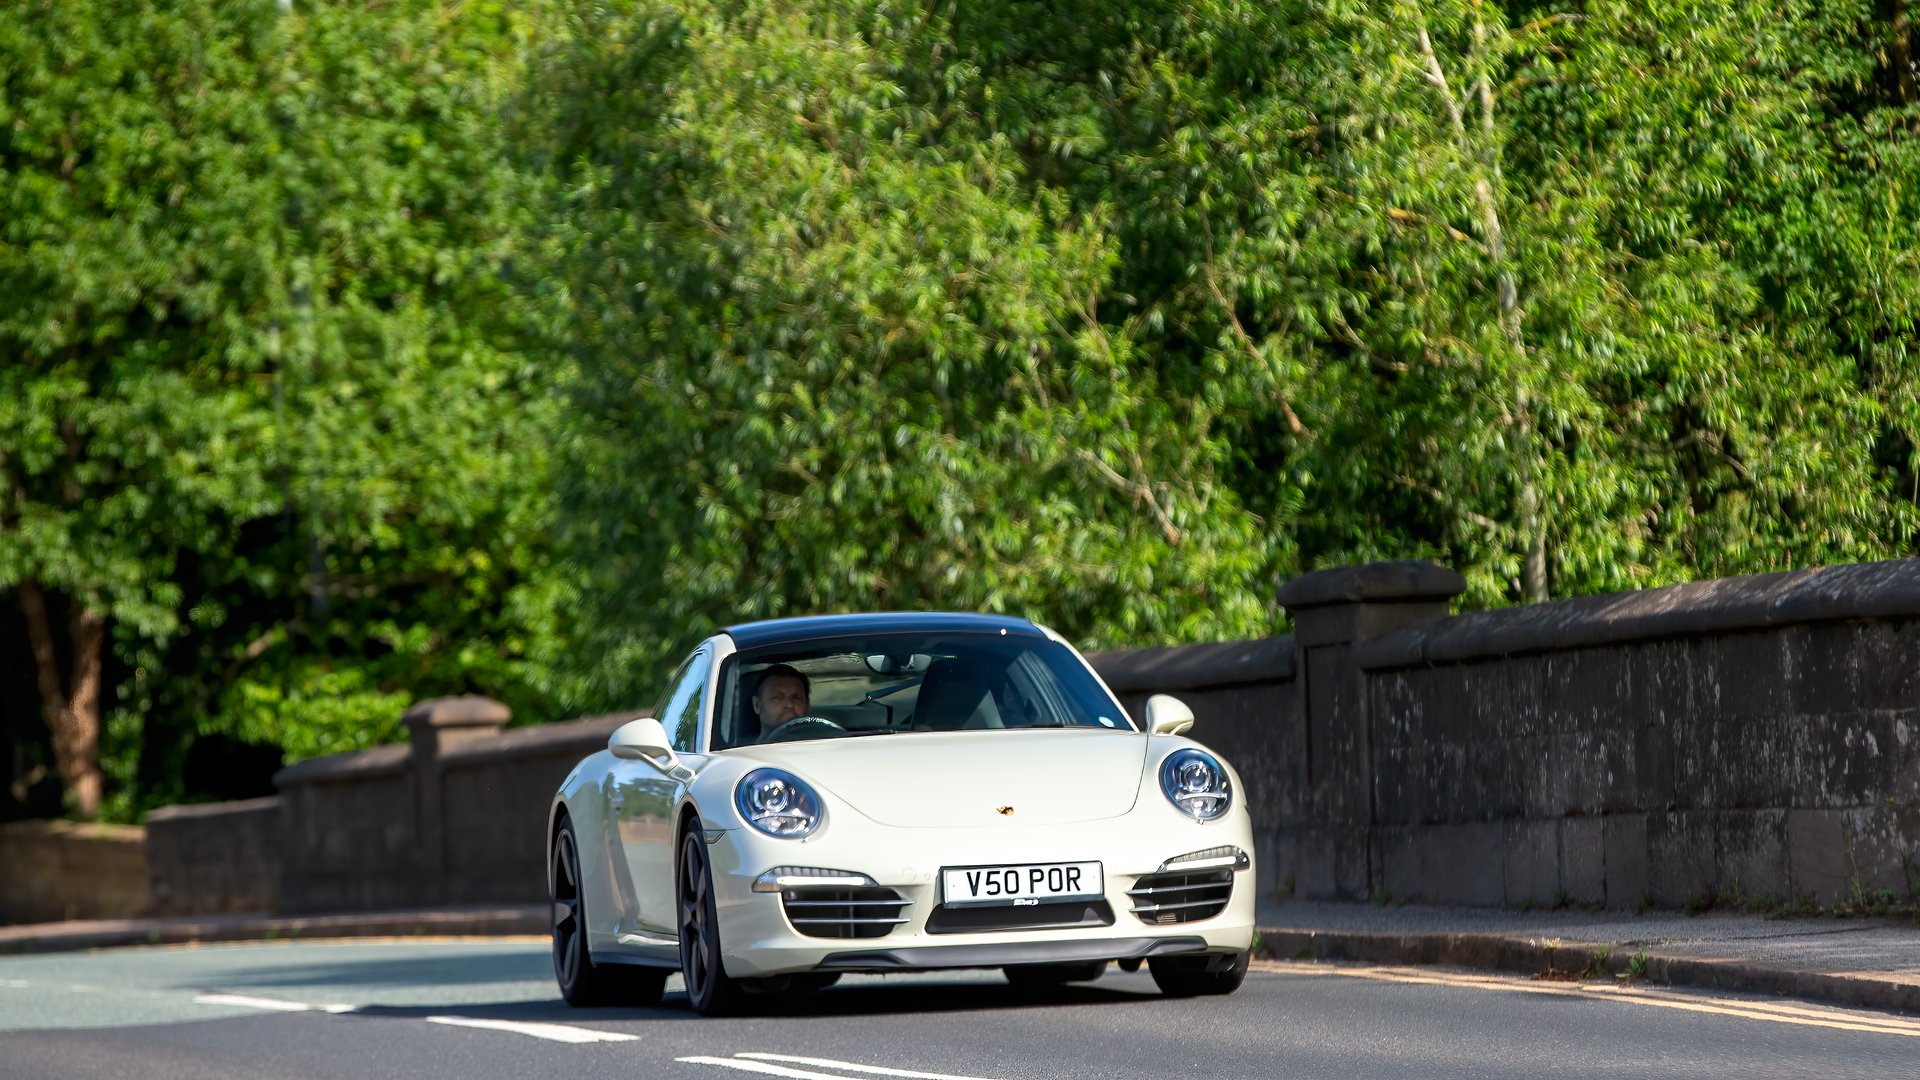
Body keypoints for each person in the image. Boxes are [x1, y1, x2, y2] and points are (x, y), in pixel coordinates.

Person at [751, 664, 812, 741]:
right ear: (757, 705)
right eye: (778, 697)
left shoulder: (824, 747)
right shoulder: (739, 752)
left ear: (807, 705)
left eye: (796, 697)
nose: (790, 705)